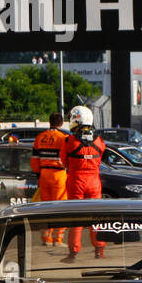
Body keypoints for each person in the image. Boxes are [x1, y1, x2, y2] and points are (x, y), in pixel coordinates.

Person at [62, 105, 107, 261]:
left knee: (76, 218)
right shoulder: (99, 140)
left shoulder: (69, 141)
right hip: (94, 181)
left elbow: (63, 161)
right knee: (96, 218)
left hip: (76, 181)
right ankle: (99, 251)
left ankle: (73, 253)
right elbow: (101, 156)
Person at [31, 112, 70, 246]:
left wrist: (38, 175)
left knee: (45, 208)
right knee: (60, 208)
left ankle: (46, 239)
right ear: (61, 123)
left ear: (50, 122)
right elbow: (67, 159)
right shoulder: (64, 138)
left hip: (44, 175)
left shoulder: (40, 137)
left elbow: (34, 160)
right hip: (58, 175)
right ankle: (58, 239)